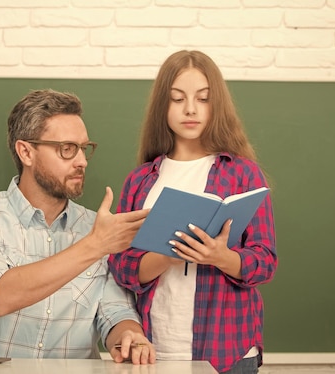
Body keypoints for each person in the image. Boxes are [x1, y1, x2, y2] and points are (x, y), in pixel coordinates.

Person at [0, 89, 156, 364]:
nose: (81, 161)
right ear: (26, 152)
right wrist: (95, 245)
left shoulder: (97, 228)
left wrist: (131, 336)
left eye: (84, 148)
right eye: (67, 149)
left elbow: (116, 313)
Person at [107, 50, 278, 373]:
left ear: (217, 105)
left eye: (202, 99)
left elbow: (265, 261)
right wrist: (168, 256)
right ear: (163, 106)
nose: (190, 109)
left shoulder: (243, 174)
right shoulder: (141, 180)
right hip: (154, 351)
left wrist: (220, 256)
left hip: (228, 352)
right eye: (177, 98)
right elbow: (120, 266)